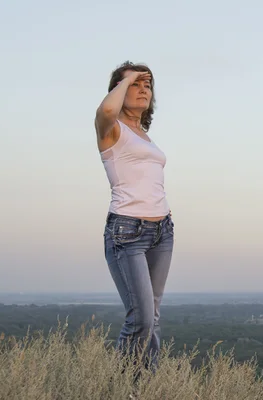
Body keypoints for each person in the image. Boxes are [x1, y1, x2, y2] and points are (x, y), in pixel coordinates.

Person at [94, 61, 174, 370]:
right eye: (135, 84)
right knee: (140, 317)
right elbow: (104, 112)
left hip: (162, 231)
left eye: (147, 85)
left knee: (151, 318)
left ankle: (143, 387)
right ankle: (122, 387)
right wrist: (126, 78)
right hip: (127, 232)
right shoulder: (112, 130)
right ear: (120, 89)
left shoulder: (143, 135)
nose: (143, 89)